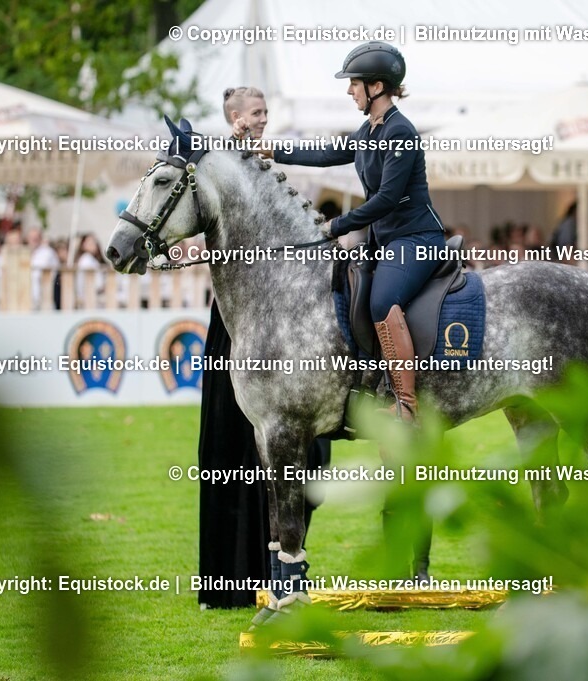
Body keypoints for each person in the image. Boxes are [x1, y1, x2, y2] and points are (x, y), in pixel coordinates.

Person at [270, 42, 439, 580]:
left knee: (381, 300)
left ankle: (405, 401)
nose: (348, 90)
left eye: (353, 82)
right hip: (383, 239)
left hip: (415, 238)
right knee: (348, 290)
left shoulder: (401, 133)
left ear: (377, 86)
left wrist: (337, 226)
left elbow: (389, 200)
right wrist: (275, 154)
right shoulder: (368, 131)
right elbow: (326, 156)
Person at [198, 86, 331, 609]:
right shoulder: (221, 163)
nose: (262, 121)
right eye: (254, 114)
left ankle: (282, 570)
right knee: (236, 450)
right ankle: (233, 580)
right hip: (246, 320)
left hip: (287, 317)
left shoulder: (266, 165)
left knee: (297, 456)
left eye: (265, 114)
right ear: (233, 119)